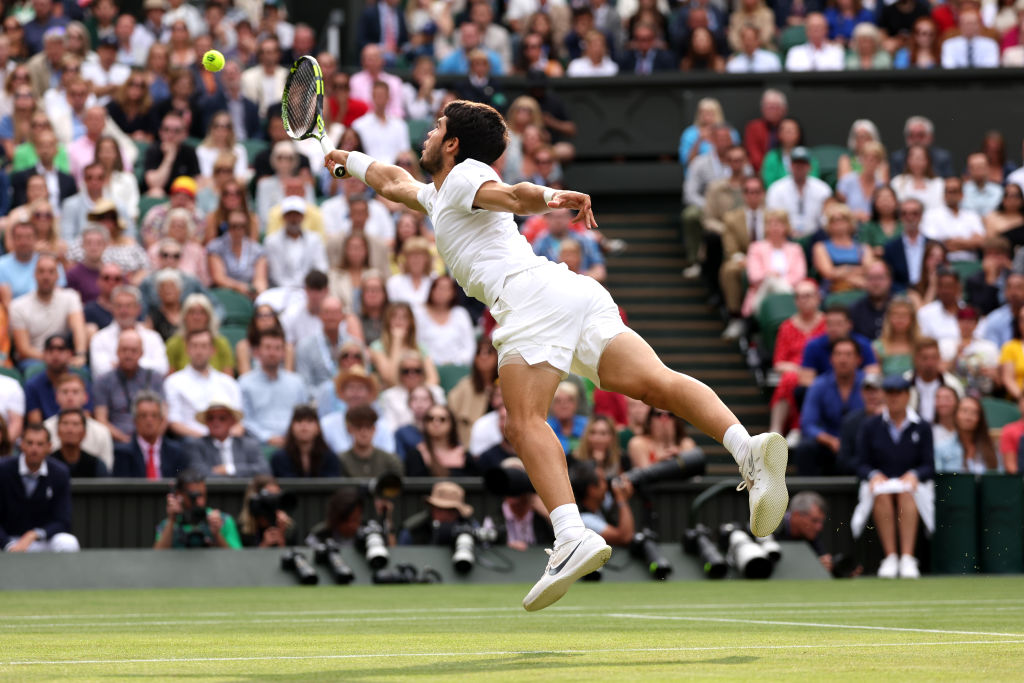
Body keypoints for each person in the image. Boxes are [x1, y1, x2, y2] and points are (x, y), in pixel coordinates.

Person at [324, 99, 788, 611]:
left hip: (529, 302)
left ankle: (571, 534)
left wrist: (548, 195)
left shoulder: (465, 177)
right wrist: (348, 160)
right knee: (657, 382)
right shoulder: (440, 196)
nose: (427, 134)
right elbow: (393, 182)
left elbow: (512, 195)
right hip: (572, 294)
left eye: (437, 128)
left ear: (453, 143)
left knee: (522, 425)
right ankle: (747, 449)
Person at [854, 374, 933, 579]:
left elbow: (928, 465)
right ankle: (890, 556)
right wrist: (873, 474)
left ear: (908, 396)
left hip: (912, 487)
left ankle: (907, 557)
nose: (894, 398)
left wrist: (915, 475)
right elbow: (861, 463)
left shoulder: (922, 427)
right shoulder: (870, 426)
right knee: (881, 496)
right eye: (890, 393)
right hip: (881, 485)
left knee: (907, 494)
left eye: (899, 393)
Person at [0, 423, 79, 553]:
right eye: (30, 443)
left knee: (68, 543)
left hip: (42, 539)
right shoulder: (3, 470)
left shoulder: (60, 473)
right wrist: (8, 545)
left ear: (49, 447)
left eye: (40, 444)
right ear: (21, 445)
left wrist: (34, 534)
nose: (34, 449)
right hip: (7, 540)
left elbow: (63, 521)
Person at [795, 338, 865, 476]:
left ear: (858, 359)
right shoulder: (819, 385)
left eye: (848, 355)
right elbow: (808, 424)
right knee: (805, 448)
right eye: (838, 354)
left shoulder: (869, 385)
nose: (842, 359)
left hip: (859, 444)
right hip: (828, 445)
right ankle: (808, 493)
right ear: (831, 359)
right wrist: (830, 440)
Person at [9, 254, 87, 371]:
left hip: (63, 356)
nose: (46, 276)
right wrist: (53, 359)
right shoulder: (18, 305)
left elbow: (78, 328)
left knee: (81, 370)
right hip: (34, 359)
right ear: (34, 275)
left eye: (51, 272)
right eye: (41, 271)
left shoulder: (70, 297)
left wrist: (80, 355)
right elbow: (23, 349)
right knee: (33, 370)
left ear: (57, 276)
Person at [164, 329, 242, 437]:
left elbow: (239, 422)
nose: (199, 351)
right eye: (194, 346)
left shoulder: (228, 383)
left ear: (213, 350)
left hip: (226, 441)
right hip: (190, 442)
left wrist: (224, 439)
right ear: (187, 349)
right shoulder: (173, 382)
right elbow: (174, 422)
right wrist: (207, 439)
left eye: (204, 346)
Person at [92, 329, 164, 443]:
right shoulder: (103, 380)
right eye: (124, 350)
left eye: (134, 350)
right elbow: (101, 419)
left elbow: (164, 415)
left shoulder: (154, 378)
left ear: (142, 353)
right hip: (117, 442)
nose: (128, 355)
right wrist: (126, 441)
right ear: (117, 352)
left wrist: (150, 442)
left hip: (151, 440)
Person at [238, 329, 308, 447]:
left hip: (294, 442)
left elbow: (303, 415)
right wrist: (267, 437)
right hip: (257, 442)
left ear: (283, 353)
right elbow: (245, 419)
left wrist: (292, 437)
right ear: (257, 352)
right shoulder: (245, 383)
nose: (272, 353)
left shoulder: (296, 382)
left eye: (277, 348)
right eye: (268, 348)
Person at [88, 285, 168, 375]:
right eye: (119, 306)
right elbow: (101, 371)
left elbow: (162, 368)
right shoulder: (100, 338)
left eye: (128, 306)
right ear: (112, 308)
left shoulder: (153, 337)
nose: (123, 311)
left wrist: (122, 364)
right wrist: (142, 364)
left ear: (138, 309)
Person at [153, 468, 242, 549]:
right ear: (179, 494)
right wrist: (172, 520)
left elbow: (236, 560)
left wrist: (217, 535)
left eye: (203, 495)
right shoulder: (168, 525)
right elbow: (157, 560)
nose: (201, 502)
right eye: (194, 496)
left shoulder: (223, 521)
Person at [112, 390, 188, 479]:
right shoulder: (122, 453)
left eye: (154, 415)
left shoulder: (176, 452)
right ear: (135, 421)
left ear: (161, 420)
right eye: (143, 416)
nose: (149, 421)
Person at [187, 397, 270, 478]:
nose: (216, 422)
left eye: (222, 418)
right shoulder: (196, 445)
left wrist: (230, 469)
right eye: (210, 418)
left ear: (232, 421)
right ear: (206, 422)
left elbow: (264, 470)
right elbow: (196, 472)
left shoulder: (249, 445)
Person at [765, 147, 833, 239]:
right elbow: (774, 217)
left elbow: (826, 219)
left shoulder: (822, 189)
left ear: (809, 166)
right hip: (785, 237)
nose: (799, 168)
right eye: (796, 164)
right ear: (790, 166)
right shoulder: (776, 189)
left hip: (814, 238)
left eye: (803, 164)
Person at [569, 461, 635, 547]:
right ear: (592, 490)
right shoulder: (584, 520)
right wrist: (622, 500)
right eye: (603, 480)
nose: (607, 485)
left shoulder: (598, 504)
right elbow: (625, 537)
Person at [270, 405, 342, 478]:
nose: (304, 425)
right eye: (299, 421)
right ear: (291, 428)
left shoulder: (329, 457)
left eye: (309, 421)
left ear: (318, 428)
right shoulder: (280, 457)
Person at [935, 394, 999, 474]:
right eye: (964, 411)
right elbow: (939, 481)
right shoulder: (942, 448)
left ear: (980, 418)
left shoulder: (991, 448)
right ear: (956, 415)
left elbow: (998, 478)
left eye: (974, 412)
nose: (968, 416)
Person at [398, 480, 475, 545]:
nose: (444, 514)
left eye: (451, 510)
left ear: (458, 512)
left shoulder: (470, 526)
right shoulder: (413, 530)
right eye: (439, 508)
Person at [906, 337, 963, 422]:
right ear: (915, 359)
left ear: (939, 357)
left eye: (934, 357)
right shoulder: (904, 383)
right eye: (925, 358)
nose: (930, 363)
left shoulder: (953, 384)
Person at [338, 405, 403, 478]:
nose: (363, 432)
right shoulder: (340, 461)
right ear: (349, 429)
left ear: (374, 429)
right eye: (358, 427)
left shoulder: (390, 460)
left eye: (368, 426)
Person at [773, 491, 832, 572]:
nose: (819, 527)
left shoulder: (810, 534)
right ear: (796, 516)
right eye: (814, 521)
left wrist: (825, 564)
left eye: (821, 522)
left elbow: (822, 561)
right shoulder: (770, 528)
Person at [50, 408, 108, 478]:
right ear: (57, 431)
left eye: (75, 424)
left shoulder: (96, 465)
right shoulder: (47, 464)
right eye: (65, 423)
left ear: (84, 432)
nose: (70, 430)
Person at [872, 298, 919, 376]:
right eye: (895, 314)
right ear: (888, 318)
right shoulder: (877, 346)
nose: (900, 319)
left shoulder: (919, 345)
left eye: (904, 315)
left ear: (912, 319)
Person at [849, 262, 894, 341]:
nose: (876, 283)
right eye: (871, 278)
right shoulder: (854, 310)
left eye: (880, 278)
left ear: (889, 280)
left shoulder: (899, 308)